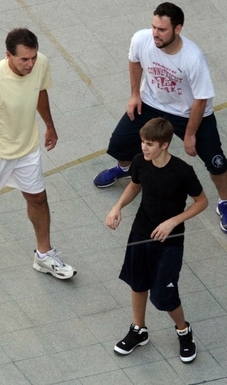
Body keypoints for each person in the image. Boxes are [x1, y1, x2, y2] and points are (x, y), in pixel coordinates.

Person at [94, 2, 227, 233]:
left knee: (216, 161)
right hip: (152, 103)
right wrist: (135, 94)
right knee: (119, 143)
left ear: (177, 29)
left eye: (162, 29)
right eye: (154, 27)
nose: (156, 33)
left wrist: (190, 135)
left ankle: (224, 202)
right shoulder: (141, 39)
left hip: (189, 113)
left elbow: (201, 99)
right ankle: (125, 169)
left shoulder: (193, 58)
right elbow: (134, 60)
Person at [105, 117, 208, 363]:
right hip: (141, 233)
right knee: (137, 282)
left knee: (163, 296)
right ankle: (139, 330)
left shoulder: (183, 171)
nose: (143, 148)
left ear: (164, 145)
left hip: (170, 242)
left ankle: (183, 330)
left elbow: (202, 202)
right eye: (142, 142)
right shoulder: (140, 161)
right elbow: (135, 185)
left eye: (149, 143)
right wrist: (117, 206)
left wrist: (173, 221)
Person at [0, 28, 77, 280]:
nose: (30, 64)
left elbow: (40, 91)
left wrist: (50, 126)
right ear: (8, 55)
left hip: (26, 149)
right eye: (24, 59)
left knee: (38, 199)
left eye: (33, 57)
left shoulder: (39, 63)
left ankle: (43, 255)